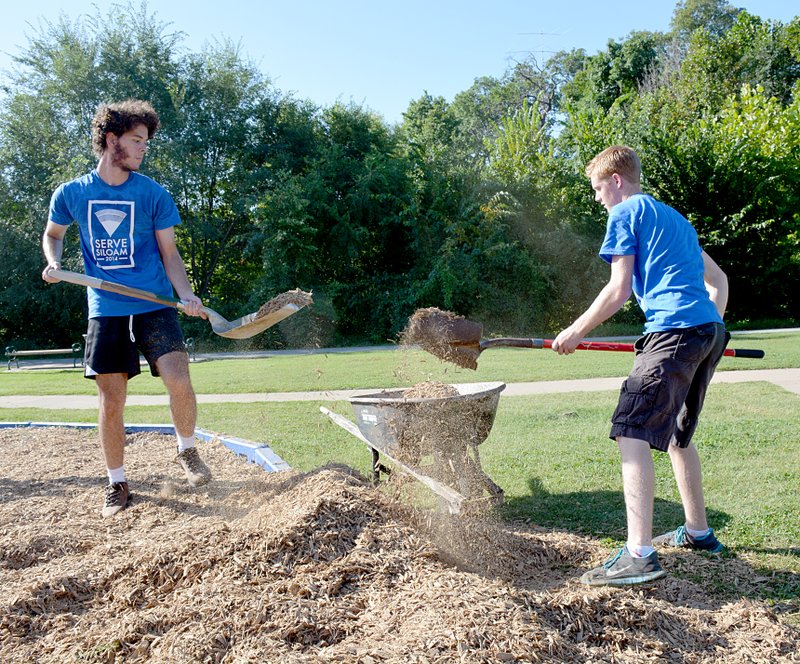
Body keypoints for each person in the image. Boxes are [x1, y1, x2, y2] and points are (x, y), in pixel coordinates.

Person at [552, 145, 729, 587]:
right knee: (674, 435)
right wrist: (709, 329)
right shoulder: (675, 220)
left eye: (597, 188)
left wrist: (575, 331)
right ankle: (698, 533)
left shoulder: (625, 213)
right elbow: (719, 282)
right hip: (705, 330)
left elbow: (618, 291)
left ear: (616, 180)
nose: (597, 199)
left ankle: (639, 555)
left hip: (674, 331)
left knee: (631, 429)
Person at [42, 99, 212, 518]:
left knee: (178, 378)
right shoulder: (73, 193)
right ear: (111, 139)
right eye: (137, 140)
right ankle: (116, 481)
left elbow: (169, 254)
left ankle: (187, 451)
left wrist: (186, 294)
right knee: (112, 399)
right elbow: (53, 234)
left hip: (154, 303)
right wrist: (54, 261)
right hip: (105, 307)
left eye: (146, 142)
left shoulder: (153, 194)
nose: (143, 148)